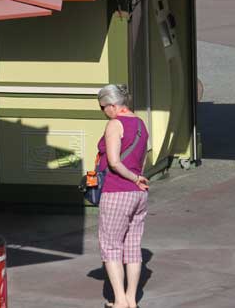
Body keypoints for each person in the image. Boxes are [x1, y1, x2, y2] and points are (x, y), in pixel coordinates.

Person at [95, 84, 149, 308]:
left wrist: (132, 178)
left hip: (117, 190)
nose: (102, 112)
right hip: (139, 195)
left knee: (111, 246)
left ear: (113, 105)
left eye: (102, 108)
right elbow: (143, 158)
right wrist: (139, 178)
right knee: (133, 247)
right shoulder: (140, 124)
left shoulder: (115, 124)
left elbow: (115, 162)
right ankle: (131, 299)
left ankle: (119, 302)